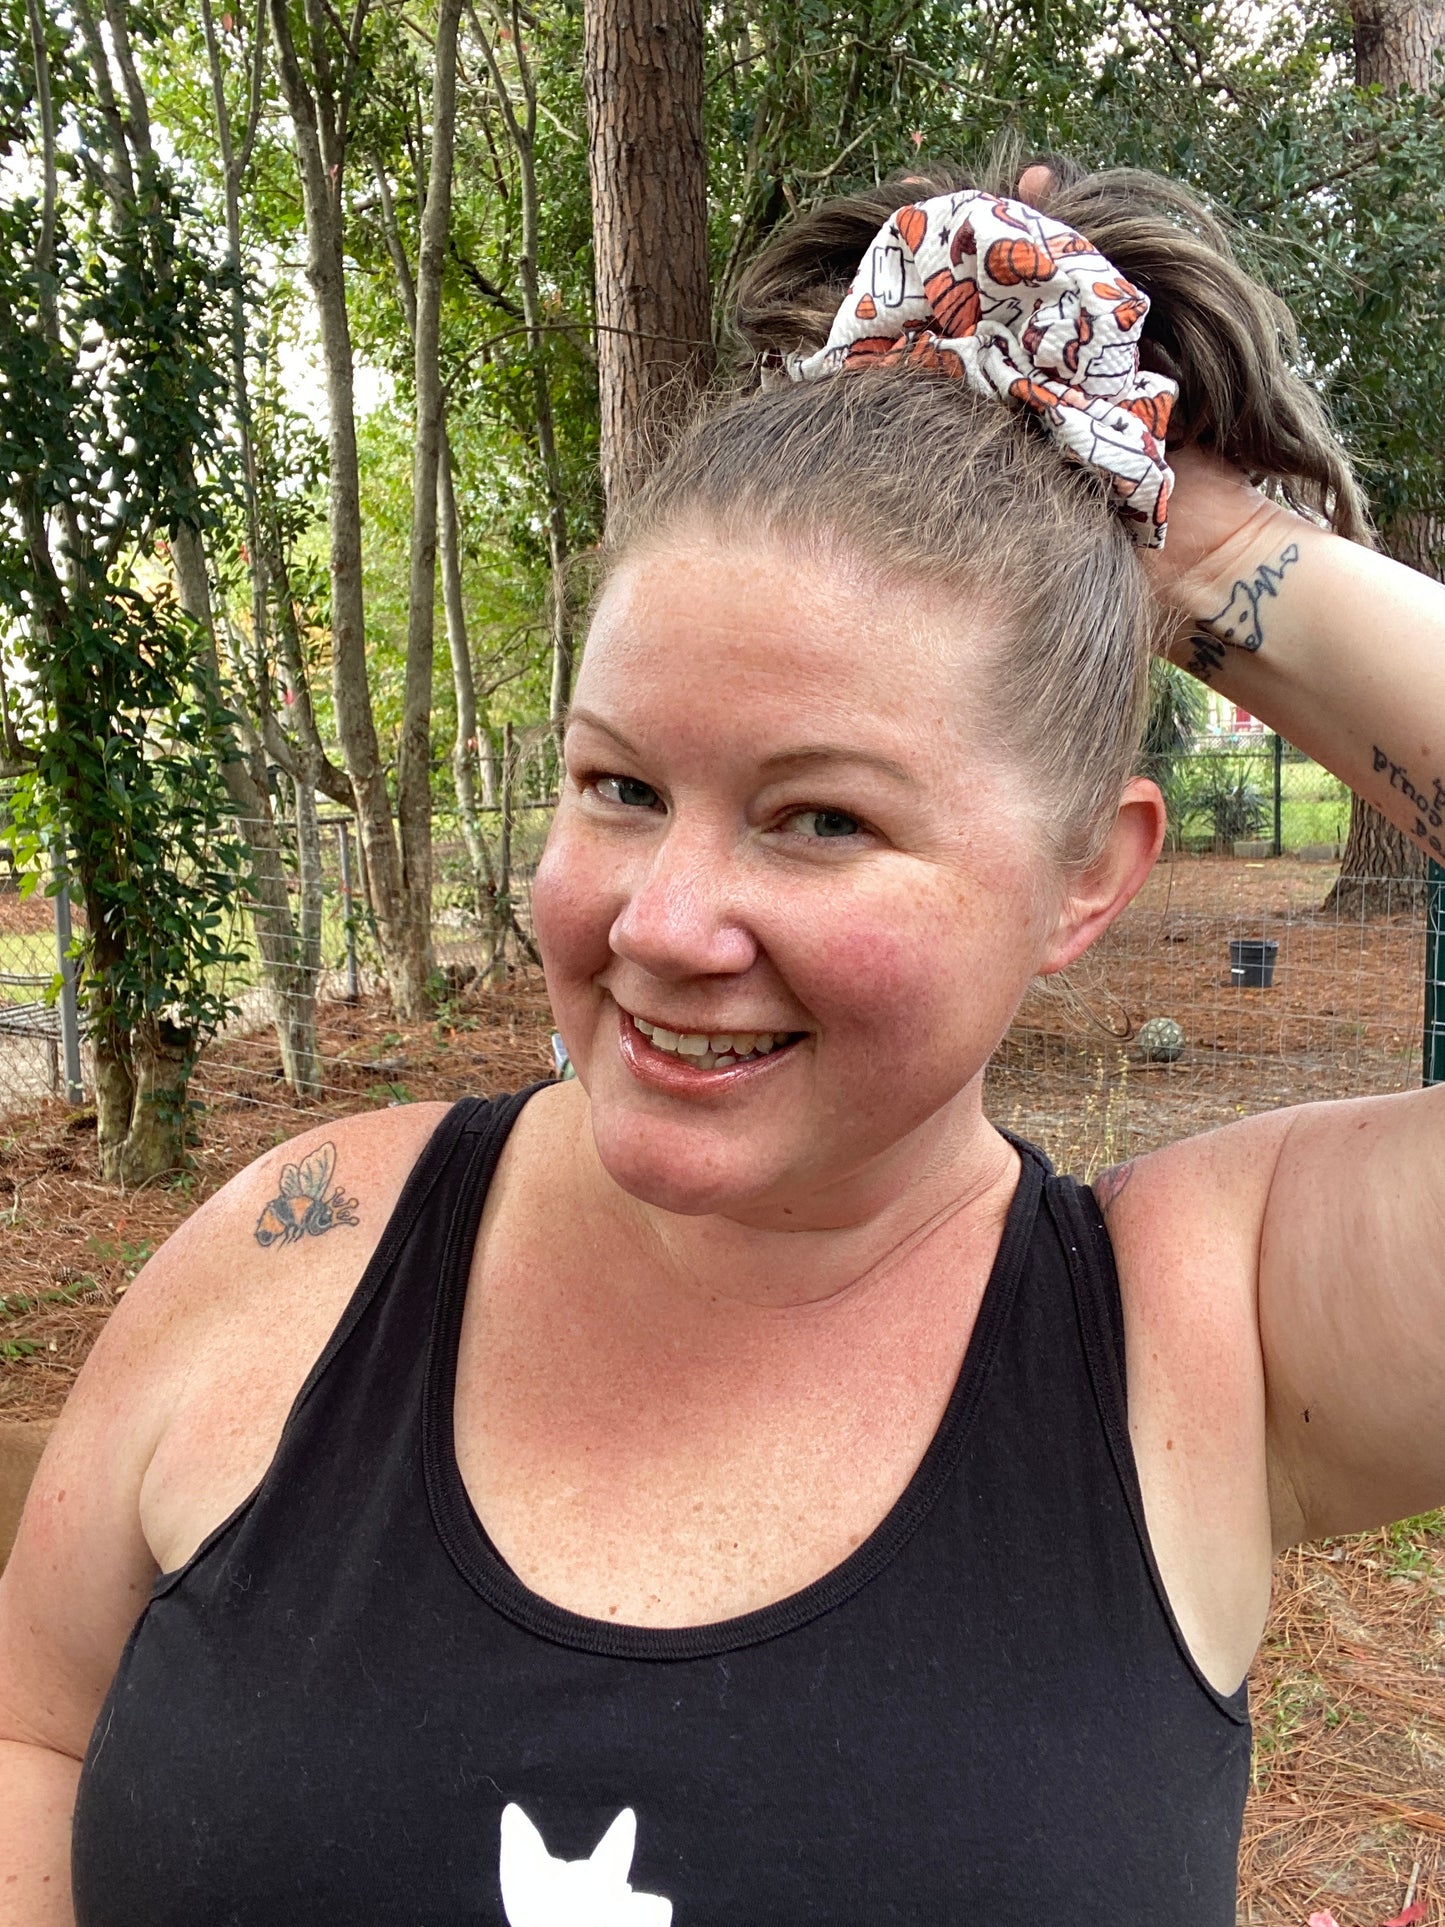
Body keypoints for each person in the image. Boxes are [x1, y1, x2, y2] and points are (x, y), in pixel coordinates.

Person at [2, 155, 1443, 1926]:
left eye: (820, 820)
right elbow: (35, 1734)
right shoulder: (297, 1248)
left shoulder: (1206, 1328)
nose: (660, 924)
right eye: (617, 786)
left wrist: (1204, 542)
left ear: (1089, 877)